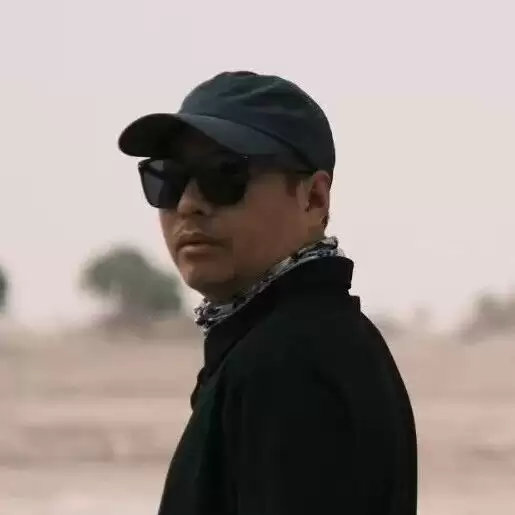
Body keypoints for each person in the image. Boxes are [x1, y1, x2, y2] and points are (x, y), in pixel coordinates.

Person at [118, 71, 417, 515]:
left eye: (225, 175)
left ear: (313, 199)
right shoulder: (293, 343)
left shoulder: (291, 363)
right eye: (168, 179)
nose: (188, 204)